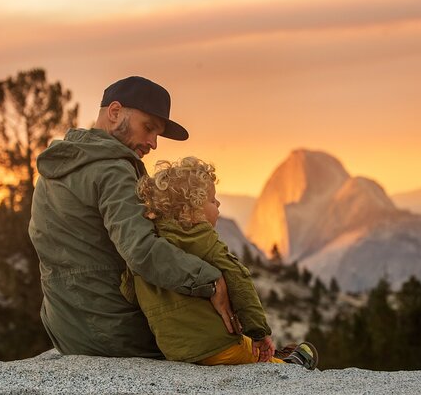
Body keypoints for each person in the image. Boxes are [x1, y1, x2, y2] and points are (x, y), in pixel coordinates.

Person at [28, 76, 235, 358]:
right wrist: (209, 280)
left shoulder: (57, 166)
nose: (153, 143)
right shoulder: (112, 170)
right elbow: (140, 250)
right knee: (217, 334)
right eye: (148, 128)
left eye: (157, 134)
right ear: (114, 113)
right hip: (114, 330)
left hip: (64, 328)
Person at [121, 157, 318, 368]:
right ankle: (291, 364)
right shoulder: (202, 239)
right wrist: (260, 333)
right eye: (212, 200)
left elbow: (128, 291)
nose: (218, 204)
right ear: (192, 211)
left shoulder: (148, 246)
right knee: (258, 359)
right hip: (217, 347)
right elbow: (239, 280)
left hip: (175, 351)